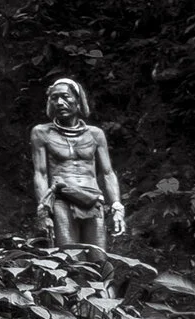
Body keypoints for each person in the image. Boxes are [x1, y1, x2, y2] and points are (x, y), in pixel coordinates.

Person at [30, 77, 125, 252]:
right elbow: (40, 173)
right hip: (61, 199)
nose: (60, 102)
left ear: (78, 99)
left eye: (65, 96)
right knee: (69, 255)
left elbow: (107, 173)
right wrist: (43, 209)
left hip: (93, 199)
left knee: (98, 256)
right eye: (54, 98)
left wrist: (117, 206)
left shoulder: (95, 134)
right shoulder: (41, 133)